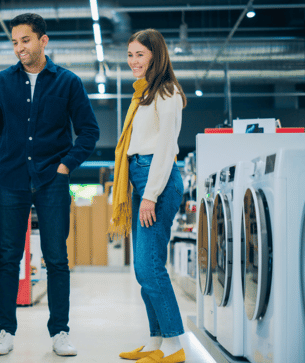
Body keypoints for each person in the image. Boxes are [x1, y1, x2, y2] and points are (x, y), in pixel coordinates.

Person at [0, 13, 100, 357]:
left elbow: (89, 131)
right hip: (11, 180)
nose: (19, 48)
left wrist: (65, 166)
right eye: (14, 42)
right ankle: (5, 331)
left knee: (57, 257)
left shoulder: (68, 82)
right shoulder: (1, 83)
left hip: (51, 181)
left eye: (25, 41)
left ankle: (60, 331)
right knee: (8, 257)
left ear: (43, 41)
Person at [110, 28, 187, 363]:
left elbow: (166, 149)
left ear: (156, 55)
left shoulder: (167, 94)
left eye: (140, 54)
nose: (133, 61)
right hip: (143, 179)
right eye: (130, 55)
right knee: (143, 270)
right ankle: (156, 341)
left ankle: (175, 346)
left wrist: (150, 195)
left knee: (149, 265)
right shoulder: (144, 95)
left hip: (158, 180)